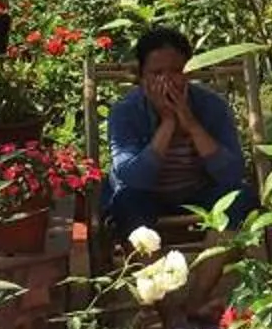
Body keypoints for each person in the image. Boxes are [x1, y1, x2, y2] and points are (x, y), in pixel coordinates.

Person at [103, 24, 252, 236]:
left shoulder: (211, 105)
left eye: (175, 71)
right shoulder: (126, 111)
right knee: (126, 202)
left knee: (242, 197)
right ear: (142, 77)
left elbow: (232, 173)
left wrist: (192, 125)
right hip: (147, 196)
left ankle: (213, 257)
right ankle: (148, 257)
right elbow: (132, 177)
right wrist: (168, 123)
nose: (167, 80)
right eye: (157, 73)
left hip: (199, 193)